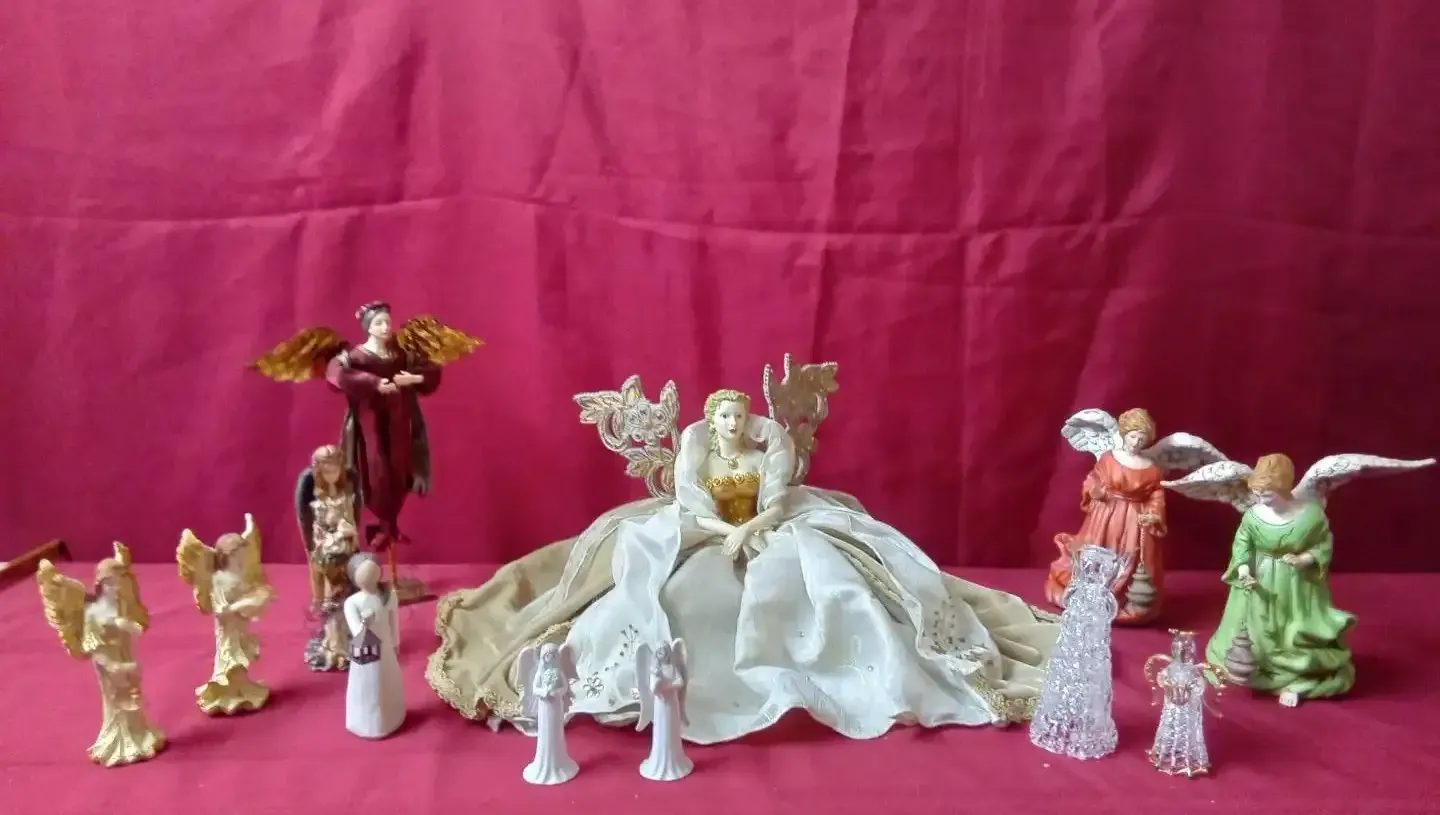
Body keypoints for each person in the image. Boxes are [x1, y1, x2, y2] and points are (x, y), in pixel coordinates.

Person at [430, 387, 1060, 744]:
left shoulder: (764, 457)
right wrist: (720, 531)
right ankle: (660, 687)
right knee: (671, 594)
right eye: (724, 416)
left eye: (739, 415)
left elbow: (776, 503)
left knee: (836, 585)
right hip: (706, 534)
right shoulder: (699, 458)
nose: (733, 423)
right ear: (710, 422)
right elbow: (690, 505)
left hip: (770, 532)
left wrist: (751, 530)